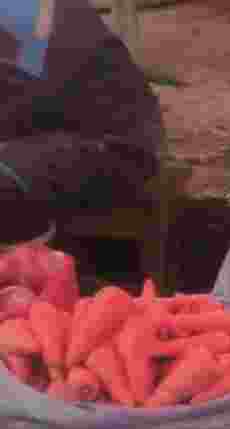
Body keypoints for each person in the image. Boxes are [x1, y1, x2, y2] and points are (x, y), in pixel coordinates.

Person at [0, 0, 164, 249]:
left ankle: (29, 260)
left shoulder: (20, 18)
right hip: (54, 129)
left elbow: (22, 103)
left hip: (115, 149)